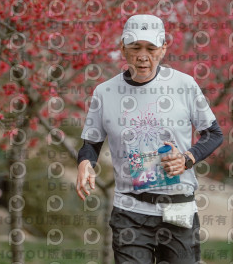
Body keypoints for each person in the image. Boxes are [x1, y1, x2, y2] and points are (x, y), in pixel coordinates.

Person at [76, 14, 223, 264]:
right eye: (135, 48)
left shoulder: (184, 85)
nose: (143, 56)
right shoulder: (104, 92)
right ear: (123, 47)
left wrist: (187, 159)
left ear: (163, 49)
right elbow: (91, 143)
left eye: (151, 48)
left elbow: (213, 133)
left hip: (178, 206)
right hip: (130, 210)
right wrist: (84, 164)